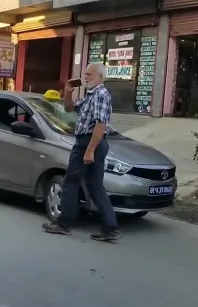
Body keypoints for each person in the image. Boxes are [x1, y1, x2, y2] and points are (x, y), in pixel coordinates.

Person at [42, 63, 120, 242]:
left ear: (101, 77)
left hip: (89, 142)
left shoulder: (101, 94)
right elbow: (70, 108)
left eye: (90, 75)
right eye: (85, 74)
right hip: (90, 143)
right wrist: (68, 92)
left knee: (71, 181)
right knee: (95, 187)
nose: (85, 77)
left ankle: (64, 224)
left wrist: (89, 150)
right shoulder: (91, 95)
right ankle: (110, 227)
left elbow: (101, 125)